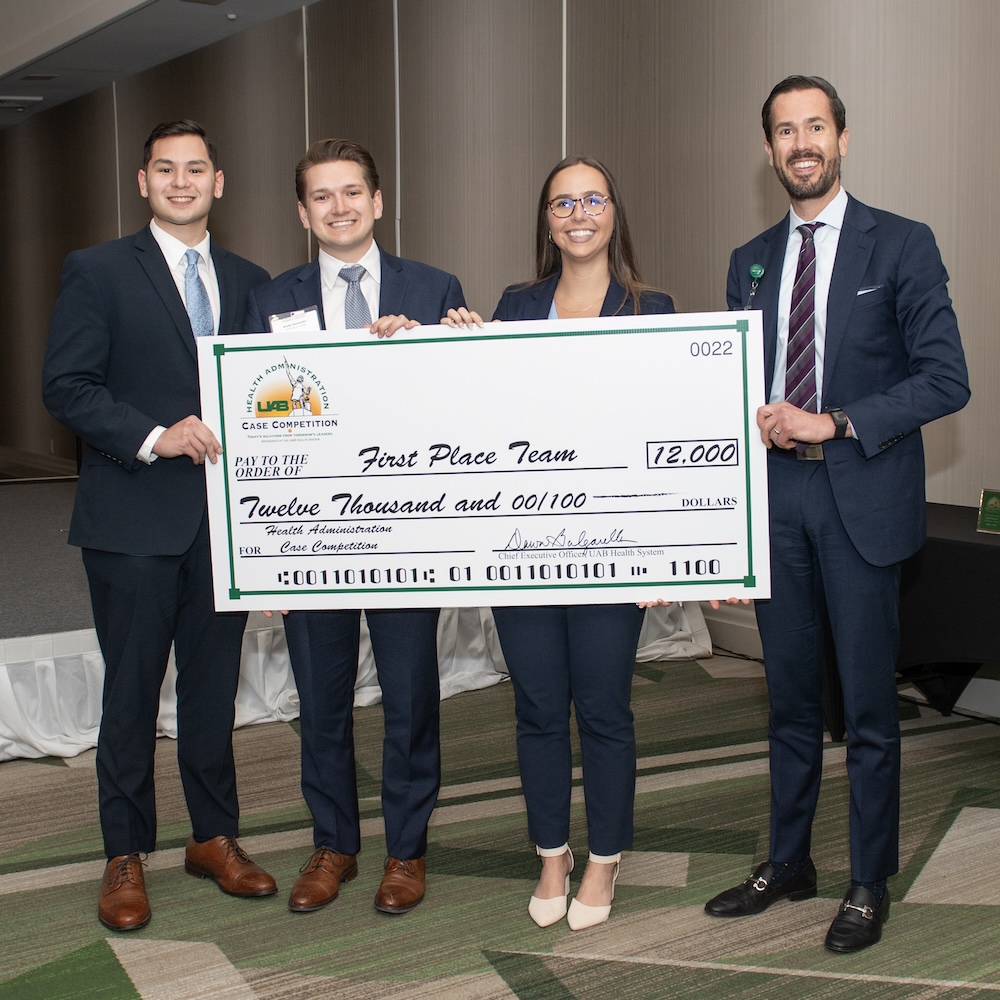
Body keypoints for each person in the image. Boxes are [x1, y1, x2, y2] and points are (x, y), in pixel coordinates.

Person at [703, 76, 969, 953]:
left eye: (815, 126)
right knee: (784, 701)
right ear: (770, 149)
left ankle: (867, 879)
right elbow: (732, 386)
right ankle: (788, 862)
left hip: (861, 495)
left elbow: (944, 376)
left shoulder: (902, 244)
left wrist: (838, 420)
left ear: (843, 139)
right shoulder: (748, 258)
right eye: (784, 131)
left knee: (866, 711)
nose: (800, 143)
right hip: (779, 503)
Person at [42, 120, 275, 932]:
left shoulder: (253, 281)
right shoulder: (98, 270)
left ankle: (213, 837)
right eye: (166, 170)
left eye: (197, 169)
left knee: (213, 697)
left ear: (220, 183)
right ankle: (124, 853)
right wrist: (155, 435)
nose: (182, 182)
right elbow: (66, 386)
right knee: (133, 696)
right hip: (133, 523)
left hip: (223, 530)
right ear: (142, 182)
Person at [447, 156, 674, 931]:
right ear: (546, 220)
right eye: (561, 203)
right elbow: (482, 416)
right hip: (525, 545)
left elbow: (667, 433)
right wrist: (453, 346)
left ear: (614, 211)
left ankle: (605, 857)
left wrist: (666, 551)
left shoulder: (653, 309)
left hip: (615, 547)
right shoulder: (514, 305)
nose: (578, 213)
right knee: (539, 708)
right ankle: (553, 853)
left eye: (592, 199)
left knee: (604, 708)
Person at [243, 138, 467, 916]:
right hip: (311, 538)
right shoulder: (270, 303)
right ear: (303, 213)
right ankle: (334, 841)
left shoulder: (435, 287)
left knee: (411, 696)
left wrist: (453, 346)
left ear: (378, 201)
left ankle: (407, 849)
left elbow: (463, 411)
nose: (339, 207)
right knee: (321, 698)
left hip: (407, 534)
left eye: (352, 193)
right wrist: (260, 554)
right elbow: (253, 429)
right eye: (321, 197)